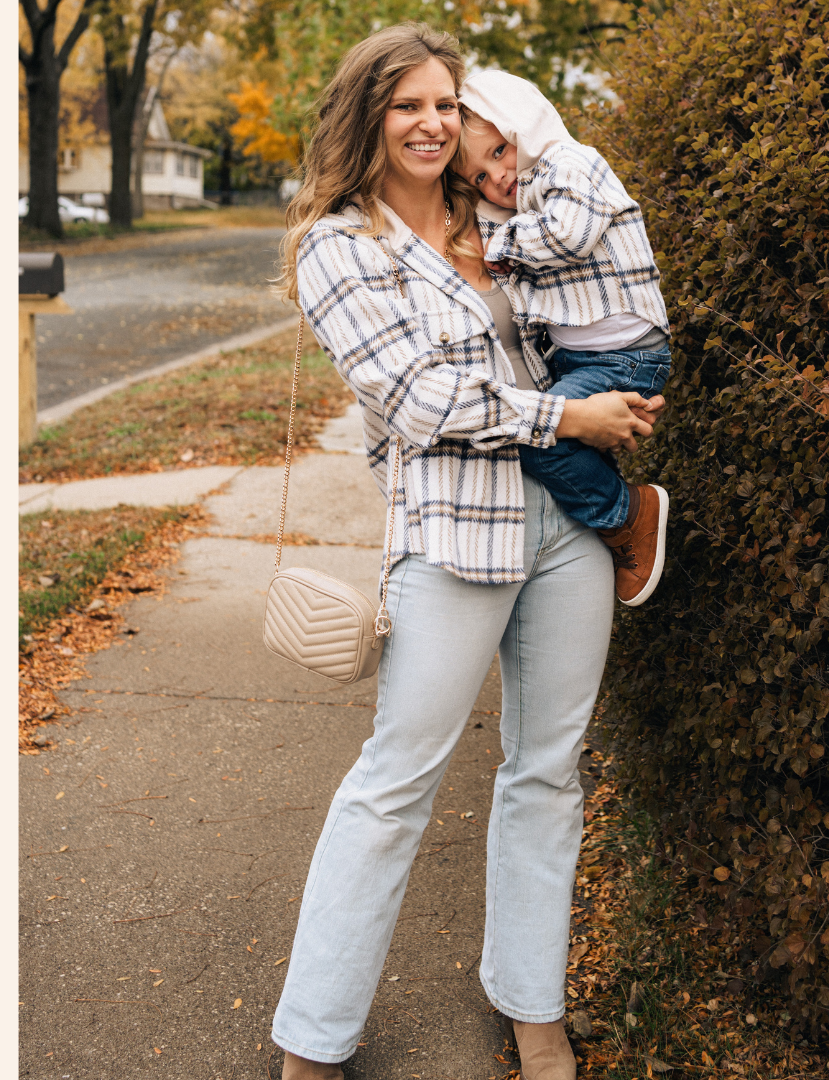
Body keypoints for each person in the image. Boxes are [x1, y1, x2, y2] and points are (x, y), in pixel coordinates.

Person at [269, 23, 665, 1080]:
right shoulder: (339, 247)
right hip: (453, 536)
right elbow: (416, 395)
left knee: (548, 771)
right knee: (397, 780)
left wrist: (617, 388)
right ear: (370, 118)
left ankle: (534, 1007)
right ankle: (314, 1035)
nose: (433, 123)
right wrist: (570, 424)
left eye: (447, 104)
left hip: (569, 533)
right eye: (408, 105)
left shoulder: (501, 212)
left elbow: (587, 311)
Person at [453, 70, 672, 607]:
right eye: (480, 177)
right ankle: (609, 514)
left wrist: (496, 240)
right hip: (581, 357)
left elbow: (569, 236)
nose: (497, 176)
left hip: (628, 355)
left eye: (500, 151)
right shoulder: (521, 203)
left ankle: (626, 517)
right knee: (550, 428)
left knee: (528, 431)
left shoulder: (571, 164)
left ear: (522, 126)